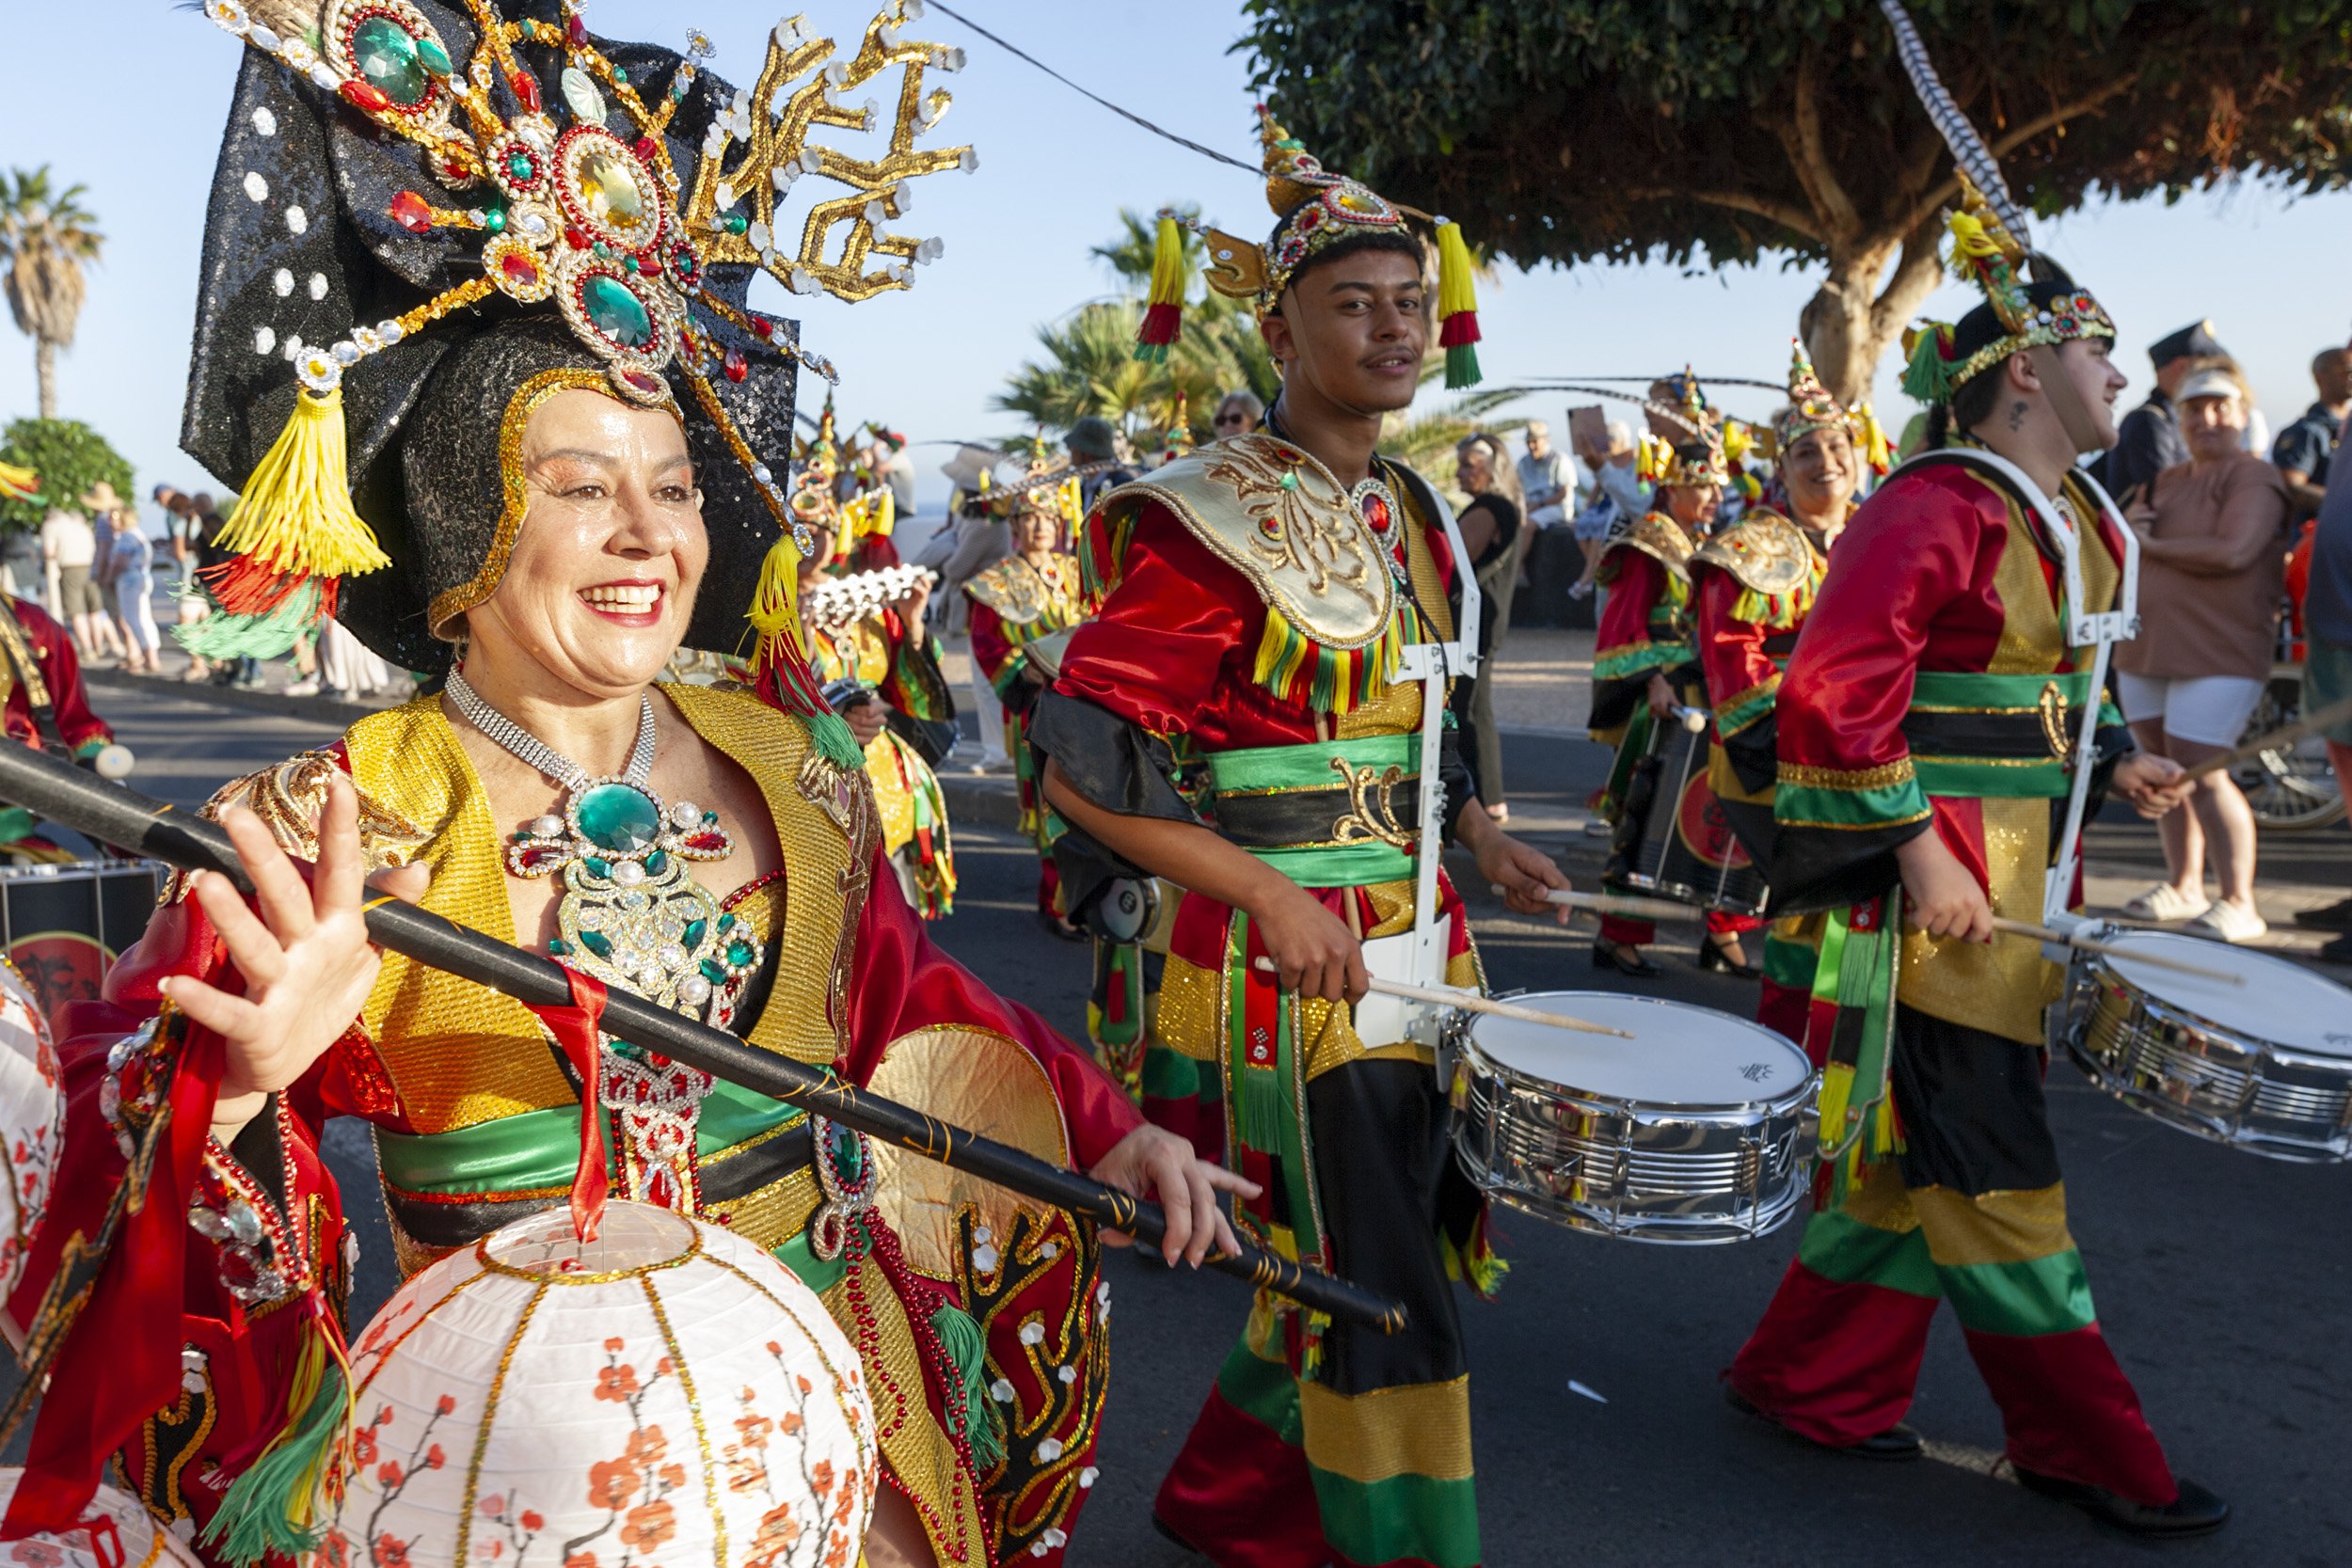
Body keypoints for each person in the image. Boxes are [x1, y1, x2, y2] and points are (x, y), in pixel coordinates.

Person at [0, 18, 1248, 1568]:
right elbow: (105, 1146)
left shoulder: (797, 764)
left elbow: (910, 1005)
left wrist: (1112, 1130)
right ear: (464, 534)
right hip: (522, 1461)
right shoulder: (343, 814)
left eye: (673, 485)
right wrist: (248, 1080)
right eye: (581, 488)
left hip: (835, 1411)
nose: (647, 534)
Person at [1031, 109, 1572, 1568]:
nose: (1394, 329)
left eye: (1410, 302)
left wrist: (1479, 828)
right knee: (1386, 1287)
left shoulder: (1408, 507)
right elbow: (1080, 756)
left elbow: (1427, 713)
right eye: (1355, 304)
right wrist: (1264, 886)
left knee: (1381, 1246)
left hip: (1415, 936)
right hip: (1295, 966)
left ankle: (1227, 1502)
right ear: (1277, 326)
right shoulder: (1206, 517)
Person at [1723, 193, 2224, 1539]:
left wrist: (2115, 754)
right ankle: (2090, 1444)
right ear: (2025, 365)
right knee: (1998, 1166)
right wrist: (1914, 851)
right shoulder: (1937, 501)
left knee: (1915, 1158)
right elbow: (1835, 688)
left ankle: (1805, 1379)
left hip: (2016, 879)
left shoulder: (2080, 516)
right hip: (1942, 894)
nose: (2121, 375)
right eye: (2100, 348)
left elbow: (2074, 680)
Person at [1690, 341, 1883, 1043]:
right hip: (1790, 757)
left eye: (1837, 445)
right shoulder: (1751, 550)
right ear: (1782, 467)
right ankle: (1793, 1059)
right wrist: (1814, 742)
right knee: (1808, 915)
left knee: (1876, 921)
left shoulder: (1888, 534)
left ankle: (1860, 1068)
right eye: (1807, 452)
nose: (1826, 460)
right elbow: (1731, 662)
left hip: (1887, 751)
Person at [2112, 364, 2289, 942]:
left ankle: (2240, 899)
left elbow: (2235, 551)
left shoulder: (2255, 476)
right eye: (2194, 408)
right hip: (2147, 646)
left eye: (2220, 406)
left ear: (2242, 413)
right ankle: (2185, 884)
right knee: (2163, 769)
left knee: (2202, 767)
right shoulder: (2164, 479)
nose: (2206, 418)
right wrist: (2133, 535)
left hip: (2220, 648)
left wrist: (2151, 544)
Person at [1586, 393, 1761, 976]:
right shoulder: (1651, 542)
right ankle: (1619, 936)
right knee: (1646, 818)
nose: (1715, 498)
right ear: (1674, 487)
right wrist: (1653, 679)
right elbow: (1621, 624)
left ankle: (1724, 933)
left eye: (1717, 487)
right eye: (1704, 487)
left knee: (1719, 811)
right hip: (1663, 701)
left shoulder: (1710, 542)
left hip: (1710, 695)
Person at [795, 480, 961, 921]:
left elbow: (908, 694)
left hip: (886, 777)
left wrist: (913, 623)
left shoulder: (868, 606)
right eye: (797, 527)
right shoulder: (765, 611)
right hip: (808, 776)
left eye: (822, 529)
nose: (809, 541)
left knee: (894, 915)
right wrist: (804, 643)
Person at [963, 452, 1093, 937]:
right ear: (1015, 523)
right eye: (1031, 517)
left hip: (1090, 704)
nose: (1041, 526)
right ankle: (1056, 896)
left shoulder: (1081, 571)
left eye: (1048, 517)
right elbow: (988, 646)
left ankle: (1087, 895)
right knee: (1049, 801)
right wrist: (1029, 676)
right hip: (1038, 711)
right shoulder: (997, 584)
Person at [1454, 431, 1524, 822]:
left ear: (1490, 467)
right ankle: (1487, 797)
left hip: (1474, 621)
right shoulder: (1507, 506)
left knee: (1471, 706)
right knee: (1476, 704)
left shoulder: (1491, 507)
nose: (1461, 473)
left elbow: (1454, 558)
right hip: (1484, 619)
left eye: (1469, 464)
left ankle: (1484, 798)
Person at [2096, 318, 2227, 499]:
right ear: (2181, 367)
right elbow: (2169, 502)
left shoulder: (2169, 419)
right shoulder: (2149, 422)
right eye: (2206, 372)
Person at [1569, 419, 1645, 600]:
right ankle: (1593, 574)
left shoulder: (1636, 462)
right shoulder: (1611, 461)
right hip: (1612, 521)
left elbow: (1636, 501)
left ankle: (1589, 576)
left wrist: (1600, 468)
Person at [2273, 345, 2347, 523]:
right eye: (2345, 371)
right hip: (2316, 538)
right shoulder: (2307, 432)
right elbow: (2294, 487)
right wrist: (2343, 504)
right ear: (2320, 377)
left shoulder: (2346, 429)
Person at [39, 497, 105, 663]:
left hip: (70, 569)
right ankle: (99, 646)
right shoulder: (80, 524)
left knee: (77, 612)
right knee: (94, 610)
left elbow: (49, 551)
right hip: (91, 566)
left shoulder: (51, 526)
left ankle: (87, 649)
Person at [102, 493, 162, 673]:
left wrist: (108, 579)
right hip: (140, 578)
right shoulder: (138, 534)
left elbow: (120, 562)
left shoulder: (127, 537)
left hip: (129, 582)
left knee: (133, 619)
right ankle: (151, 657)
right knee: (144, 618)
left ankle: (148, 657)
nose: (110, 521)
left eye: (114, 517)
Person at [1065, 416, 1136, 517]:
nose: (1071, 450)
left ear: (1085, 452)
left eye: (1074, 447)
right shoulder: (1085, 486)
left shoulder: (1121, 484)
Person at [1517, 419, 1569, 529]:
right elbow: (1518, 490)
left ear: (1546, 439)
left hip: (1555, 508)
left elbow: (1563, 493)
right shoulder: (1523, 462)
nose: (1531, 446)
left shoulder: (1559, 459)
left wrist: (1540, 505)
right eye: (1528, 442)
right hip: (1530, 508)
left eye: (1534, 441)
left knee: (1526, 525)